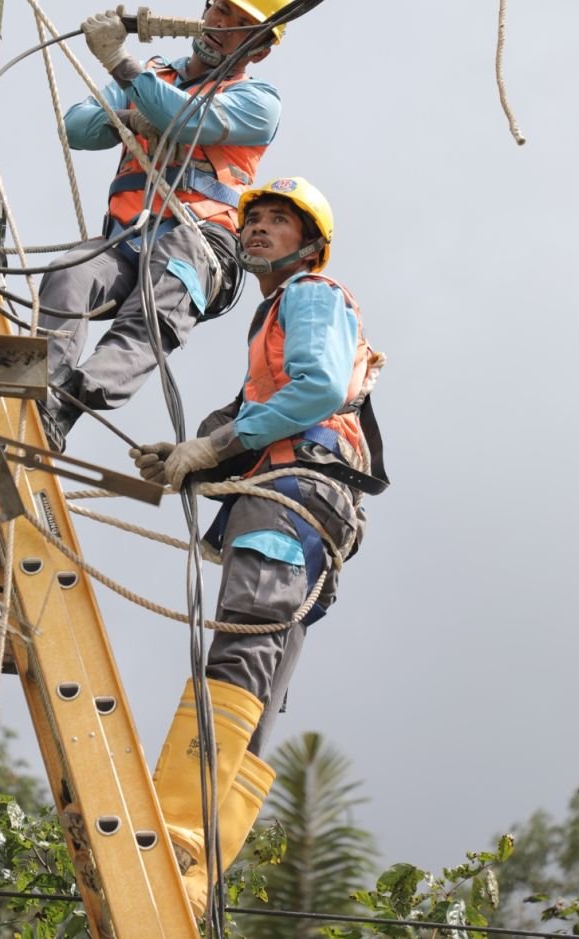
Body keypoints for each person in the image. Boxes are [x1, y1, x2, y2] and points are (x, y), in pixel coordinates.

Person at [132, 175, 389, 917]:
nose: (257, 229)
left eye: (279, 221)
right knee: (263, 671)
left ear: (308, 244)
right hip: (309, 508)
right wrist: (195, 452)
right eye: (254, 219)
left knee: (241, 643)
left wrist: (214, 444)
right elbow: (259, 407)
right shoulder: (275, 318)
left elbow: (312, 390)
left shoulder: (310, 296)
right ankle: (199, 865)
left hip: (293, 495)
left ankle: (181, 836)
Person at [37, 0, 292, 451]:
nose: (221, 25)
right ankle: (40, 392)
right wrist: (131, 117)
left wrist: (119, 62)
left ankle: (66, 406)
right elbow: (76, 127)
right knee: (70, 271)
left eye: (239, 23)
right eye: (219, 9)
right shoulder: (156, 76)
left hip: (198, 242)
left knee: (151, 313)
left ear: (258, 48)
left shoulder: (257, 101)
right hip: (125, 240)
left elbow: (182, 118)